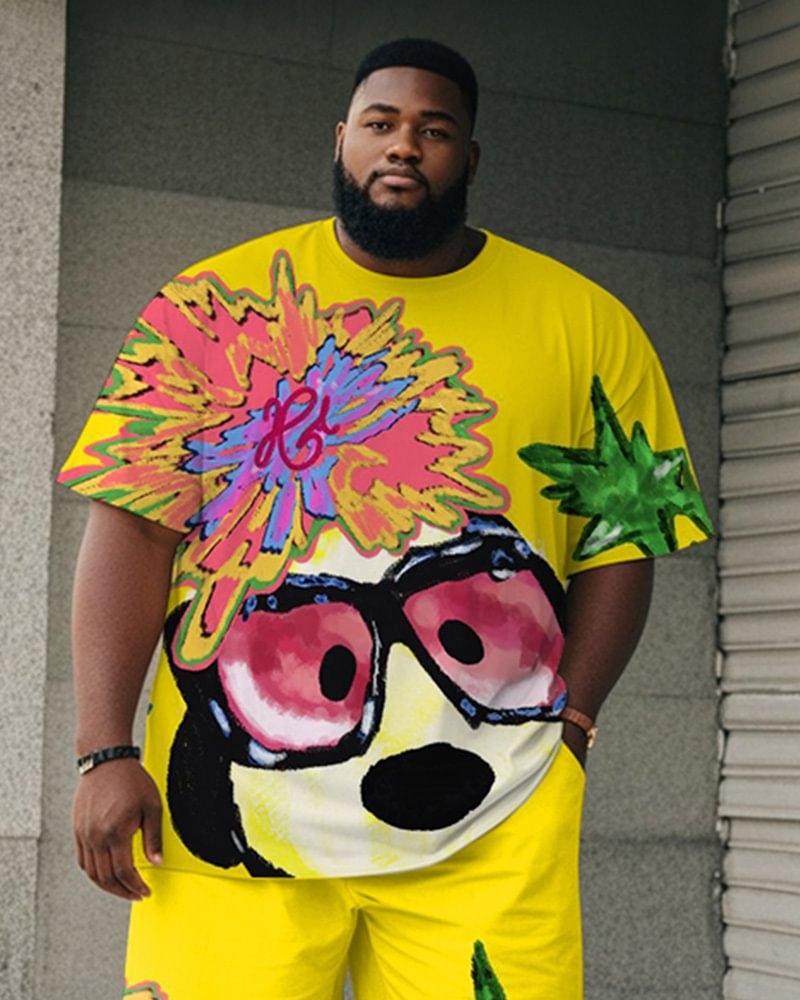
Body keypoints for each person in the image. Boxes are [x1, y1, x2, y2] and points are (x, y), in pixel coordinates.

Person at [60, 37, 712, 1000]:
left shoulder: (587, 325)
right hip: (232, 822)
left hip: (492, 821)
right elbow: (133, 529)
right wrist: (104, 750)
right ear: (340, 140)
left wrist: (573, 726)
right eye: (381, 123)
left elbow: (627, 541)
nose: (404, 145)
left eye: (434, 130)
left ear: (470, 157)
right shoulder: (206, 309)